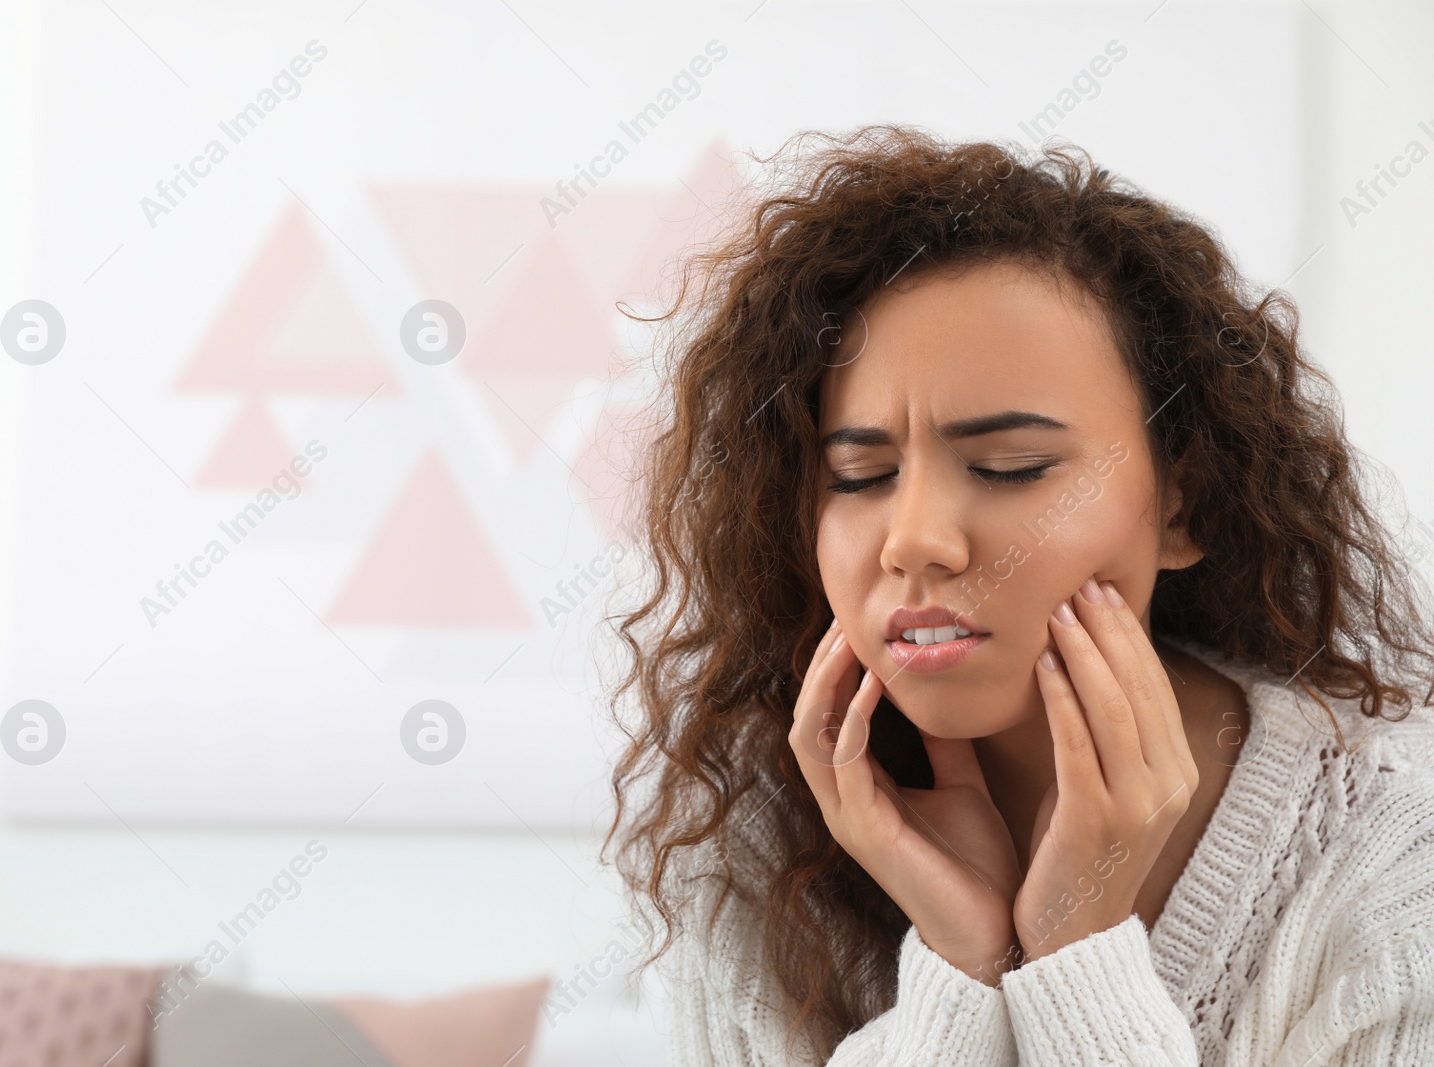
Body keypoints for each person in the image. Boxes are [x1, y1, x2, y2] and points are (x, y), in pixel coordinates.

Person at [601, 125, 1434, 1065]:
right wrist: (964, 964)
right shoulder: (754, 845)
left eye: (1011, 467)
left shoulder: (1400, 857)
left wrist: (1077, 954)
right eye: (860, 475)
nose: (913, 538)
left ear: (1182, 503)